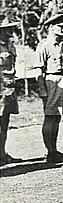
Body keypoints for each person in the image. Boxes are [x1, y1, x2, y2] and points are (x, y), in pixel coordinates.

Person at [35, 14, 63, 162]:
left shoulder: (61, 44)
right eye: (60, 27)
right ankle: (49, 151)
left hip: (62, 80)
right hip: (51, 81)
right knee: (50, 117)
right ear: (51, 28)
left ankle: (54, 149)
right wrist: (42, 90)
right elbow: (39, 71)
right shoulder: (44, 45)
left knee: (57, 118)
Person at [0, 20, 22, 165]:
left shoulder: (10, 46)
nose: (10, 31)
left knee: (5, 123)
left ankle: (2, 154)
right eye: (7, 29)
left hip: (10, 89)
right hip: (0, 90)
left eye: (11, 28)